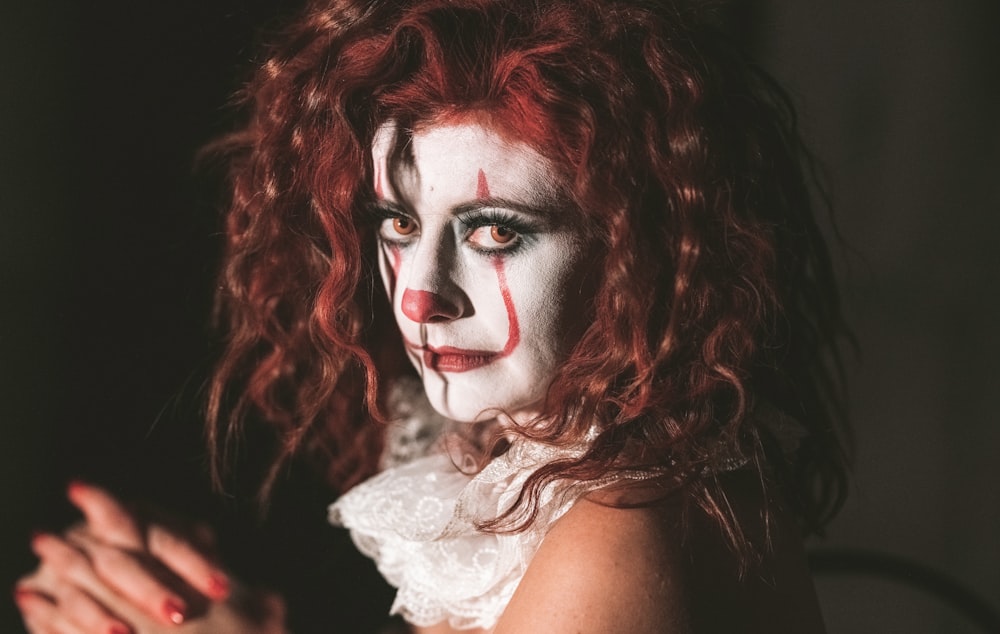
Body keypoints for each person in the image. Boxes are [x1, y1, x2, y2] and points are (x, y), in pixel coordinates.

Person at [16, 0, 850, 632]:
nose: (419, 294)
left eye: (495, 230)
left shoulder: (626, 529)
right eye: (399, 223)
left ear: (639, 246)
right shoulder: (539, 458)